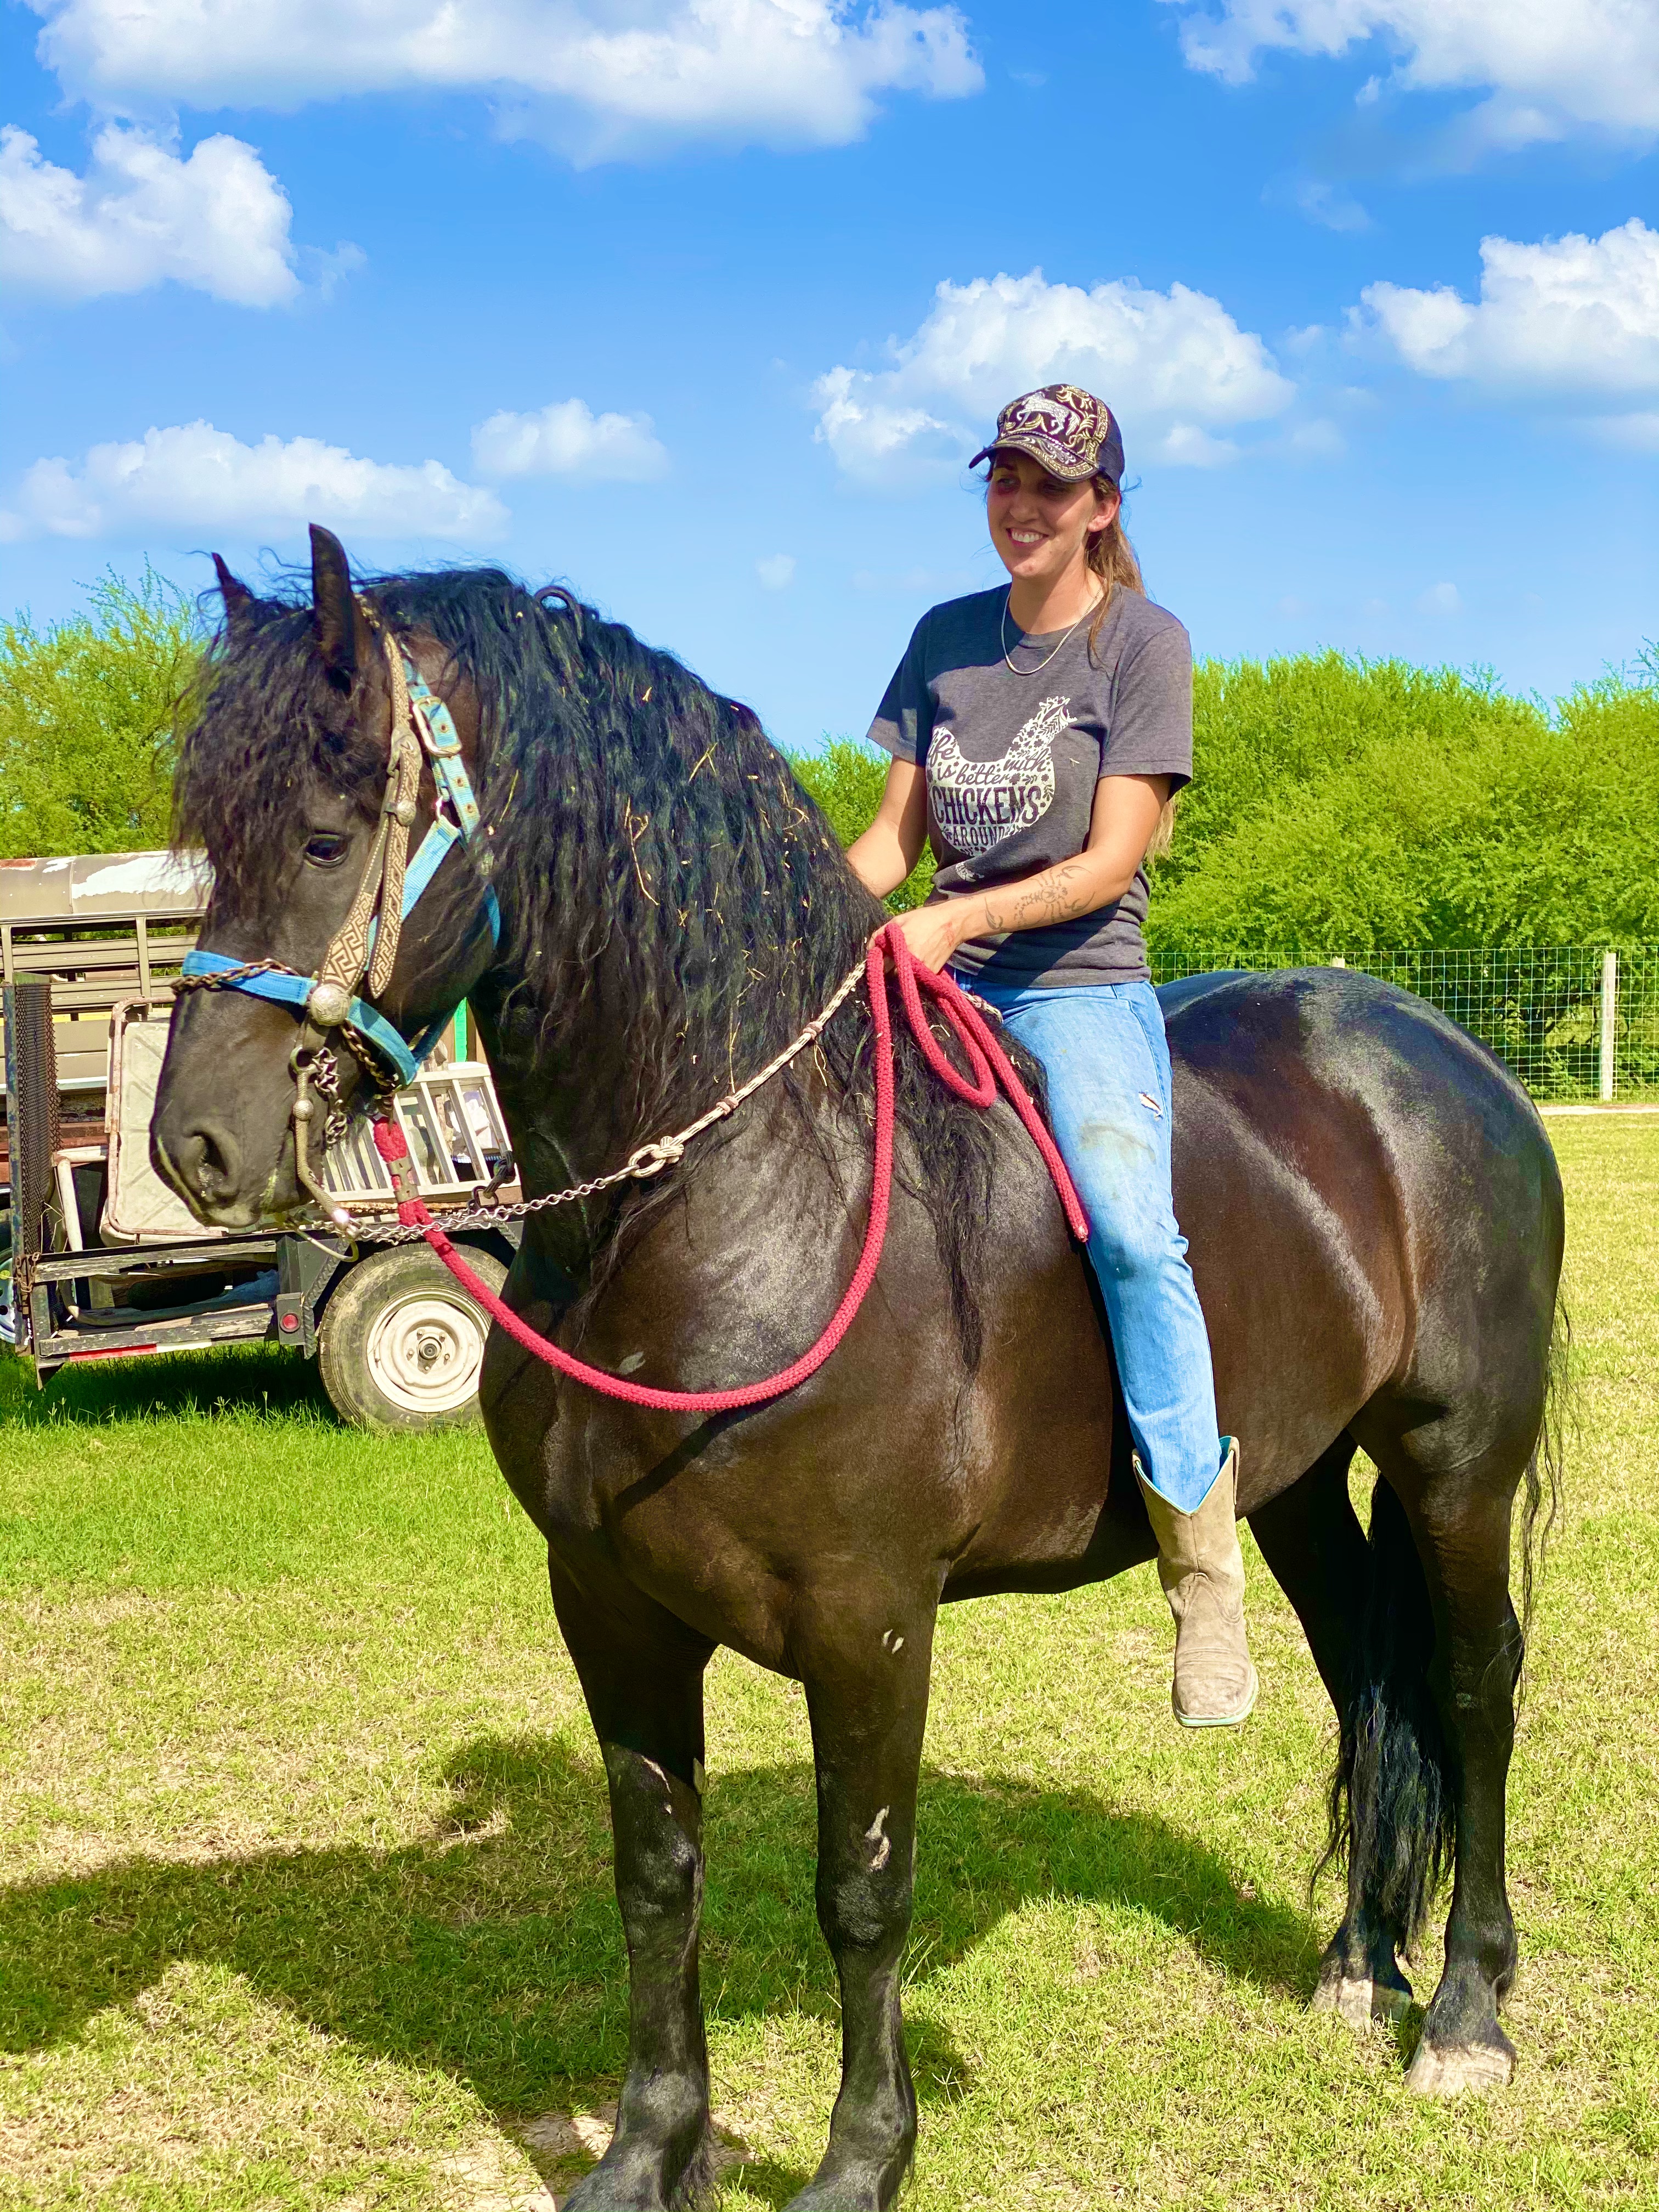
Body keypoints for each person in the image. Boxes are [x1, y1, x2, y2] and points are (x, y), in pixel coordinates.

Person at [846, 383, 1256, 1728]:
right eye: (1002, 481)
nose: (1019, 505)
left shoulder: (1143, 643)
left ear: (1102, 507)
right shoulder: (943, 642)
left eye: (1048, 485)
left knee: (1137, 1234)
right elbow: (889, 850)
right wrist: (801, 919)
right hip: (936, 981)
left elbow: (1110, 863)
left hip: (1075, 990)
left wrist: (958, 917)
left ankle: (1203, 1574)